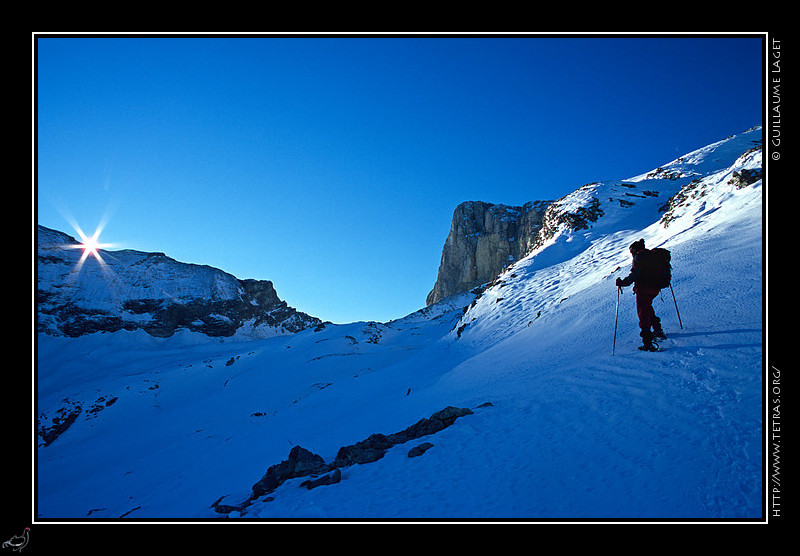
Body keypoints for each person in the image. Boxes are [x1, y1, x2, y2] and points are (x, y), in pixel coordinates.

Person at [616, 239, 666, 351]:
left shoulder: (639, 258)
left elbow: (635, 275)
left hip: (644, 289)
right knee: (648, 308)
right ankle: (658, 330)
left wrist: (623, 283)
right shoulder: (652, 255)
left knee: (643, 314)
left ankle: (648, 343)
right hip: (655, 288)